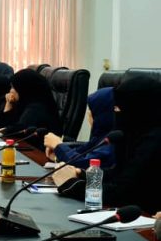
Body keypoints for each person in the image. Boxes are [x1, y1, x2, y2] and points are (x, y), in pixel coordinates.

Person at [58, 75, 161, 214]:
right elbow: (119, 173)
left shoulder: (154, 142)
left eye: (118, 108)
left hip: (145, 220)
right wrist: (82, 175)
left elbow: (122, 193)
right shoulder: (135, 133)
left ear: (138, 108)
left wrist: (72, 185)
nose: (115, 113)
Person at [43, 87, 115, 169]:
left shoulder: (113, 142)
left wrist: (57, 145)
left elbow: (83, 164)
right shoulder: (100, 137)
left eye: (91, 109)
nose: (88, 114)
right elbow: (81, 153)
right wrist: (58, 156)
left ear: (101, 114)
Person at [0, 69, 62, 148]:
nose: (11, 91)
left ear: (24, 88)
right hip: (27, 147)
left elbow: (20, 130)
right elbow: (3, 123)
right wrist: (8, 103)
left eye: (14, 87)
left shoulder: (37, 108)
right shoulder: (25, 104)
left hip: (39, 153)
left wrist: (4, 130)